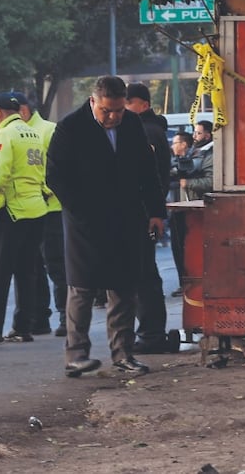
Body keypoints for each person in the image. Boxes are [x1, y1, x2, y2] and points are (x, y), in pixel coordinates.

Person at [46, 76, 166, 377]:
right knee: (82, 288)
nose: (112, 117)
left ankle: (123, 354)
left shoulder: (131, 125)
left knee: (123, 287)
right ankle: (76, 355)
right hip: (84, 220)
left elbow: (147, 172)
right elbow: (56, 177)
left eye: (118, 111)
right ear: (93, 101)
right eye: (105, 111)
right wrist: (81, 211)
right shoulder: (71, 127)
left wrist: (155, 211)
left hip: (126, 217)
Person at [0, 93, 49, 344]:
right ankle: (23, 327)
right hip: (36, 209)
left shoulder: (4, 136)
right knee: (26, 272)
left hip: (11, 212)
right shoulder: (34, 134)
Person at [13, 91, 69, 338]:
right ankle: (39, 318)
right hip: (26, 210)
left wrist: (44, 191)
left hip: (51, 209)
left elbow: (58, 167)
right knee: (32, 266)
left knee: (56, 266)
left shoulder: (49, 130)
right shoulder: (17, 134)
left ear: (23, 111)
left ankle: (67, 317)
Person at [124, 82, 171, 355]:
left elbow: (148, 179)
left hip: (143, 214)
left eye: (126, 105)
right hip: (145, 212)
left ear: (141, 104)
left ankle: (151, 334)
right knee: (143, 273)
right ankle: (148, 332)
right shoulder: (149, 130)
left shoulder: (146, 132)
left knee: (144, 275)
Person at [167, 129, 196, 294]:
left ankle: (189, 282)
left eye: (175, 143)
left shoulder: (195, 159)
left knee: (187, 248)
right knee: (177, 249)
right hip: (175, 209)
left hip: (189, 209)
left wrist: (187, 182)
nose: (173, 146)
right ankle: (182, 281)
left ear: (184, 144)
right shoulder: (172, 162)